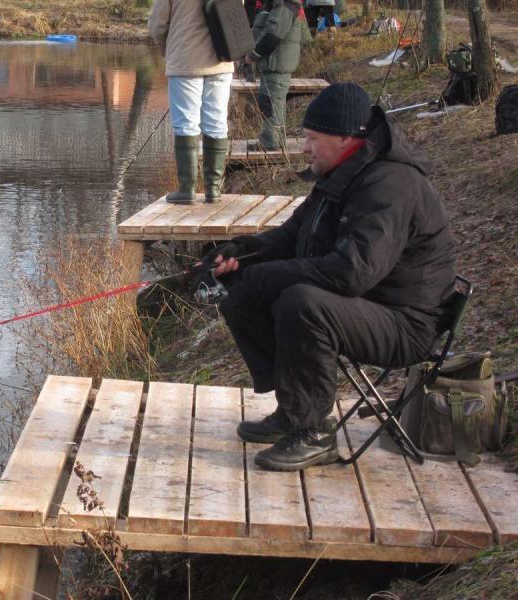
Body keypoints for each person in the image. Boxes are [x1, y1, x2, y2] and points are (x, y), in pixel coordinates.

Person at [204, 82, 456, 471]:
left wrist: (269, 276)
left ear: (344, 137)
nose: (304, 147)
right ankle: (294, 411)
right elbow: (291, 235)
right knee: (243, 294)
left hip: (405, 323)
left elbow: (352, 272)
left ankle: (314, 433)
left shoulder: (390, 184)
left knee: (302, 303)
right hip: (368, 306)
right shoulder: (344, 172)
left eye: (312, 138)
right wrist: (242, 252)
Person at [148, 0, 233, 204]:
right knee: (216, 123)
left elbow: (157, 24)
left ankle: (187, 190)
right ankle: (213, 190)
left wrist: (167, 49)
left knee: (186, 124)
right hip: (221, 60)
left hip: (185, 59)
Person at [246, 0, 303, 151]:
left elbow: (273, 35)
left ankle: (270, 141)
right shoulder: (276, 4)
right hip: (273, 63)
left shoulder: (284, 5)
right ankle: (278, 140)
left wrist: (253, 55)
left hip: (277, 63)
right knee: (274, 102)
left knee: (270, 102)